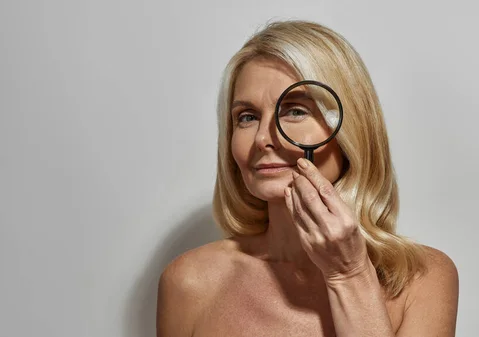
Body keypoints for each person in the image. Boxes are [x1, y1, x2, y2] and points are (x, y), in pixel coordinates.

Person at [157, 20, 459, 337]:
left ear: (350, 130)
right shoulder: (190, 282)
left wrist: (349, 274)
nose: (262, 138)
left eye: (295, 111)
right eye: (247, 116)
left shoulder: (423, 278)